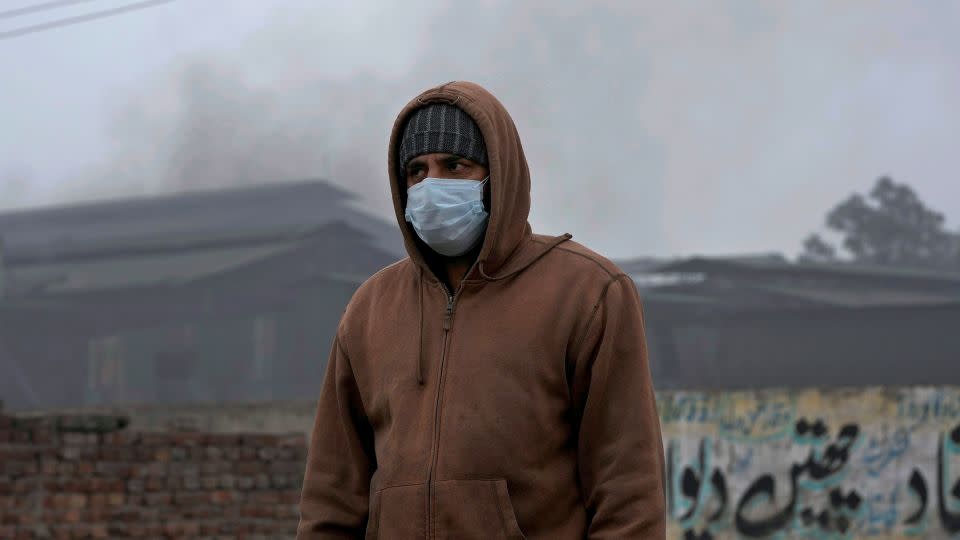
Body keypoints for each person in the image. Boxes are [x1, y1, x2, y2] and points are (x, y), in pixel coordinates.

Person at [297, 81, 665, 539]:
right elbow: (331, 499)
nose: (432, 185)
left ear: (498, 177)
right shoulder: (370, 309)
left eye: (455, 165)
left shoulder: (588, 293)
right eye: (416, 170)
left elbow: (629, 493)